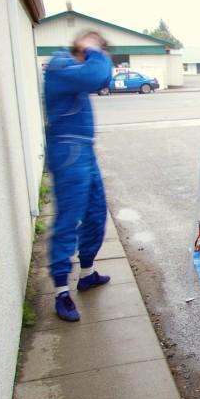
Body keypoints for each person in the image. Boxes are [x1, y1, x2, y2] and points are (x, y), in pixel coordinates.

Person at [44, 31, 113, 322]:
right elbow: (98, 74)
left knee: (96, 213)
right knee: (68, 219)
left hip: (83, 149)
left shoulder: (74, 69)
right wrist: (92, 49)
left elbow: (103, 78)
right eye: (96, 48)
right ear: (83, 48)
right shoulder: (61, 65)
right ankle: (61, 290)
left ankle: (86, 273)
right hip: (68, 151)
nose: (99, 54)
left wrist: (95, 55)